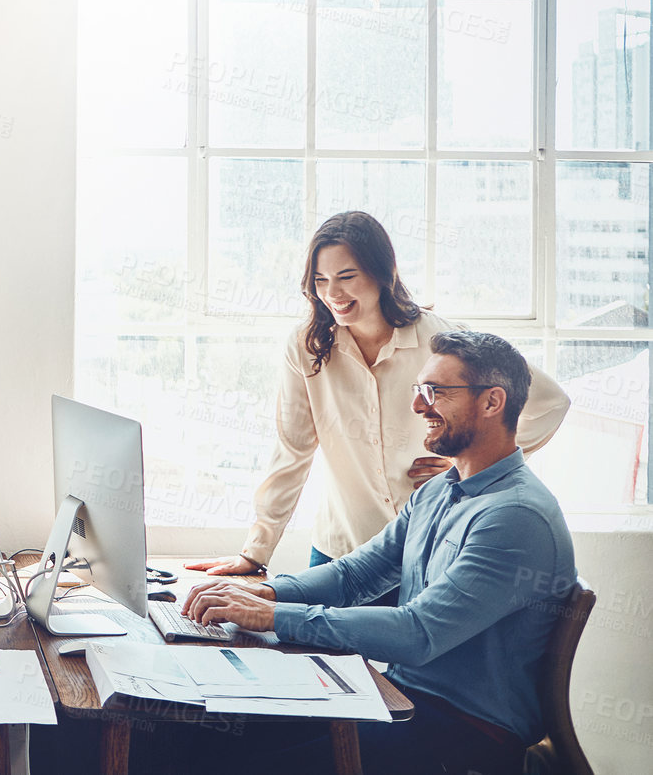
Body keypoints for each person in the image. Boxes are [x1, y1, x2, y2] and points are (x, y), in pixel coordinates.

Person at [182, 330, 578, 775]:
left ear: (492, 402)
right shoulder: (438, 492)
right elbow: (354, 575)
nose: (418, 406)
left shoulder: (516, 515)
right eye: (419, 390)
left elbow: (417, 633)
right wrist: (264, 595)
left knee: (238, 759)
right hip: (406, 699)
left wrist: (271, 617)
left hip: (466, 733)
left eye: (436, 392)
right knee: (205, 732)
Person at [187, 211, 568, 580]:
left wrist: (471, 466)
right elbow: (293, 449)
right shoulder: (306, 346)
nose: (332, 293)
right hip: (340, 553)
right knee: (306, 645)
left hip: (425, 549)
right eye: (320, 280)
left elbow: (550, 403)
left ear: (383, 273)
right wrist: (255, 551)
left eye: (346, 276)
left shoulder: (439, 342)